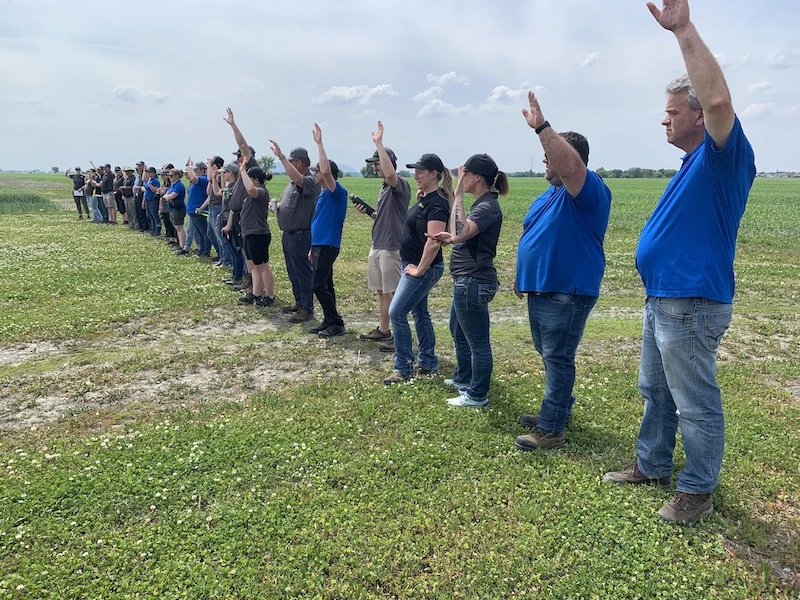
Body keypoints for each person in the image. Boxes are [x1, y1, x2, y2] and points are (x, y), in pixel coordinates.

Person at [603, 0, 756, 526]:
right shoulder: (692, 164)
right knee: (656, 390)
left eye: (672, 111)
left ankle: (696, 491)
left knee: (694, 400)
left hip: (692, 300)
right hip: (665, 298)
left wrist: (684, 30)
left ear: (698, 116)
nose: (663, 119)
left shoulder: (723, 156)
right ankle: (652, 464)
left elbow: (717, 97)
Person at [512, 91, 612, 451]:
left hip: (567, 291)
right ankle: (559, 409)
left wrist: (541, 126)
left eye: (550, 154)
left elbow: (570, 168)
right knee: (548, 352)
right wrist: (523, 275)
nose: (544, 160)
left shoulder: (588, 191)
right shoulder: (547, 195)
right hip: (542, 288)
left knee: (558, 356)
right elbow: (533, 237)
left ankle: (552, 427)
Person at [432, 154, 506, 408]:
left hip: (473, 281)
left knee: (478, 342)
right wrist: (450, 239)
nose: (460, 178)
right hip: (466, 280)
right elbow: (459, 235)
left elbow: (462, 231)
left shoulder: (486, 206)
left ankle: (477, 395)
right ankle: (464, 379)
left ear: (477, 177)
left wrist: (459, 195)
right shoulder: (481, 204)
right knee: (458, 331)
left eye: (464, 174)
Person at [383, 153, 451, 385]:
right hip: (412, 264)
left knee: (396, 312)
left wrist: (420, 270)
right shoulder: (426, 198)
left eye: (420, 171)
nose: (416, 175)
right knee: (419, 312)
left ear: (434, 174)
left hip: (424, 268)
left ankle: (403, 368)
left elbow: (434, 241)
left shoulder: (438, 204)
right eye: (415, 171)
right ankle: (428, 361)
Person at [356, 121, 411, 349]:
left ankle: (397, 336)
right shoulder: (384, 188)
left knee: (392, 291)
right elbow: (386, 215)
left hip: (391, 247)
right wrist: (370, 213)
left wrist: (379, 143)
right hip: (378, 244)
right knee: (382, 291)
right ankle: (384, 329)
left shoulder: (400, 184)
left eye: (377, 162)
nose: (375, 166)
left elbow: (390, 173)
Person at [270, 141, 319, 323]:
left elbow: (299, 181)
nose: (287, 165)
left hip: (301, 235)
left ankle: (307, 307)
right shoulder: (292, 183)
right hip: (289, 235)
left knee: (303, 272)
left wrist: (281, 156)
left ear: (299, 163)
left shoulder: (309, 180)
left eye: (291, 162)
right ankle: (299, 302)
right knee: (293, 271)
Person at [307, 123, 348, 338]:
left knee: (318, 285)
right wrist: (312, 247)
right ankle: (329, 319)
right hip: (319, 245)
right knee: (326, 284)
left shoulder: (336, 192)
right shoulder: (323, 193)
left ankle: (336, 323)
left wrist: (320, 143)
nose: (315, 174)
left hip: (328, 245)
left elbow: (324, 170)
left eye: (317, 171)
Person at [222, 108, 259, 293]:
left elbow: (244, 145)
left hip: (247, 220)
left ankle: (254, 285)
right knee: (245, 253)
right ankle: (249, 281)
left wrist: (233, 125)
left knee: (250, 255)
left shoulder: (251, 167)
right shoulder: (240, 176)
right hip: (238, 218)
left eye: (239, 156)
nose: (237, 159)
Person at [236, 165, 276, 307]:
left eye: (248, 178)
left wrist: (242, 171)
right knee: (253, 266)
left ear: (256, 180)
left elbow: (252, 190)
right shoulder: (250, 196)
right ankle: (256, 293)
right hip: (249, 234)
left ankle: (270, 296)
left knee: (263, 266)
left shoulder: (261, 192)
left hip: (258, 235)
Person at [185, 158, 213, 259]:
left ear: (203, 170)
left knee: (204, 232)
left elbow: (193, 178)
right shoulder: (198, 180)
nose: (195, 172)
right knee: (199, 232)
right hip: (193, 210)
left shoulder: (204, 179)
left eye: (197, 170)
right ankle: (201, 250)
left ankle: (206, 251)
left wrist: (188, 166)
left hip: (199, 210)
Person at [163, 168, 187, 251]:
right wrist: (167, 196)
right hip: (173, 208)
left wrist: (167, 197)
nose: (170, 177)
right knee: (177, 227)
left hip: (178, 209)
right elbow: (166, 195)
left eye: (171, 176)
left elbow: (171, 196)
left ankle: (182, 245)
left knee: (179, 227)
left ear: (177, 176)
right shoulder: (173, 184)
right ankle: (180, 244)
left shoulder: (179, 185)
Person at [142, 166, 161, 237]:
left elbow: (155, 190)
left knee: (154, 215)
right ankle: (152, 229)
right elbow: (145, 189)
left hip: (153, 200)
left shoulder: (155, 181)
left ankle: (157, 230)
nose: (148, 174)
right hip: (147, 200)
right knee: (149, 215)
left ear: (153, 173)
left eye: (150, 172)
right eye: (147, 172)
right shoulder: (148, 180)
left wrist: (150, 184)